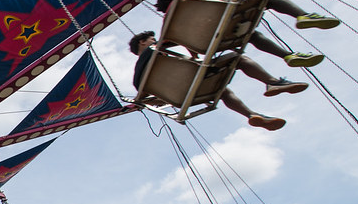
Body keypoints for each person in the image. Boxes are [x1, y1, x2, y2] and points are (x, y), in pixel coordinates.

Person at [130, 31, 304, 131]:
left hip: (183, 96)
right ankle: (272, 82)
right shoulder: (153, 50)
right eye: (152, 39)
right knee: (237, 58)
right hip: (194, 80)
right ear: (143, 42)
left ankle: (253, 115)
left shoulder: (137, 78)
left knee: (222, 90)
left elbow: (144, 95)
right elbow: (177, 37)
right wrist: (192, 50)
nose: (155, 40)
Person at [154, 0, 337, 68]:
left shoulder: (169, 24)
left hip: (218, 40)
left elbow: (164, 44)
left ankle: (288, 56)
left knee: (251, 36)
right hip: (230, 18)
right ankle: (302, 16)